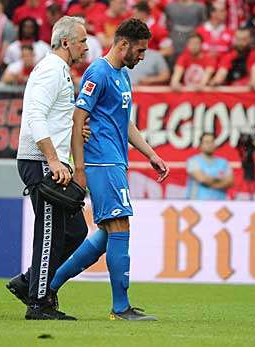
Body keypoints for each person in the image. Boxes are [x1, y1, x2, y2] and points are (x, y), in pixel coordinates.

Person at [53, 18, 169, 321]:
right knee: (120, 227)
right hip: (101, 161)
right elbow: (79, 118)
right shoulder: (99, 72)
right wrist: (79, 167)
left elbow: (125, 122)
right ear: (123, 45)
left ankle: (44, 287)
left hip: (116, 159)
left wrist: (151, 154)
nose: (142, 56)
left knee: (107, 233)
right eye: (140, 50)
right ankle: (120, 307)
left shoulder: (121, 75)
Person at [6, 16, 90, 321]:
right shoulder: (51, 70)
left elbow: (51, 117)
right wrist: (53, 159)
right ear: (66, 42)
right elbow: (36, 117)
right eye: (82, 40)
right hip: (41, 161)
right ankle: (38, 303)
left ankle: (29, 282)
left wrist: (73, 130)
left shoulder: (60, 71)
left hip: (49, 159)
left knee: (76, 230)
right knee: (50, 233)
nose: (86, 46)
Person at [186, 133, 233, 200]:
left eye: (212, 142)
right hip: (197, 205)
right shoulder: (193, 161)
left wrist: (209, 182)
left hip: (219, 205)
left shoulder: (223, 162)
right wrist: (221, 181)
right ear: (200, 145)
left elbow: (230, 182)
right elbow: (202, 179)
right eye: (207, 142)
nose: (210, 145)